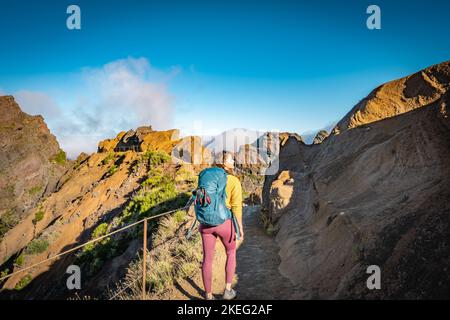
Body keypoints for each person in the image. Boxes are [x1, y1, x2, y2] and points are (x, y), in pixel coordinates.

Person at [199, 153, 244, 300]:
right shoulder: (233, 180)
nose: (233, 161)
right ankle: (227, 291)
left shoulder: (207, 177)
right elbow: (236, 206)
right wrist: (240, 228)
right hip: (225, 223)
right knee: (231, 253)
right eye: (231, 159)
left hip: (206, 223)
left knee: (207, 259)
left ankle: (208, 295)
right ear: (224, 162)